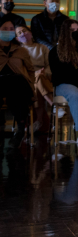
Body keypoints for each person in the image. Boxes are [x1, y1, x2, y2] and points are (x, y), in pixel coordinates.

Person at [0, 18, 35, 147]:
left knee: (18, 81)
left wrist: (31, 84)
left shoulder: (21, 50)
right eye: (4, 29)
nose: (8, 32)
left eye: (11, 29)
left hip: (18, 86)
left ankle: (20, 129)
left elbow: (30, 71)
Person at [16, 24, 56, 127]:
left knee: (38, 78)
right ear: (17, 38)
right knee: (36, 81)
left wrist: (44, 72)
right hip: (27, 78)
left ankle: (39, 121)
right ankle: (53, 105)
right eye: (19, 33)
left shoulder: (42, 48)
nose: (23, 34)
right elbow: (19, 68)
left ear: (31, 33)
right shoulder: (18, 51)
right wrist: (34, 74)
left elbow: (49, 65)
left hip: (44, 76)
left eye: (24, 31)